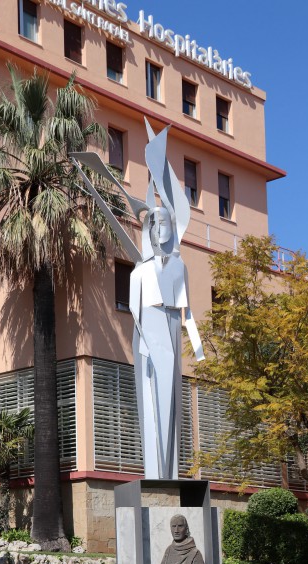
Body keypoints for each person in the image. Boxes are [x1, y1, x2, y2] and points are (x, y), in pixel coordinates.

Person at [71, 120, 204, 480]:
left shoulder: (179, 267)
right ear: (149, 229)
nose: (162, 231)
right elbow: (132, 306)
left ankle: (172, 476)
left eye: (166, 225)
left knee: (173, 400)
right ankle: (154, 473)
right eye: (156, 225)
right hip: (148, 337)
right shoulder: (141, 271)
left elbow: (186, 309)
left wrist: (198, 345)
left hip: (172, 330)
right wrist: (144, 336)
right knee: (151, 399)